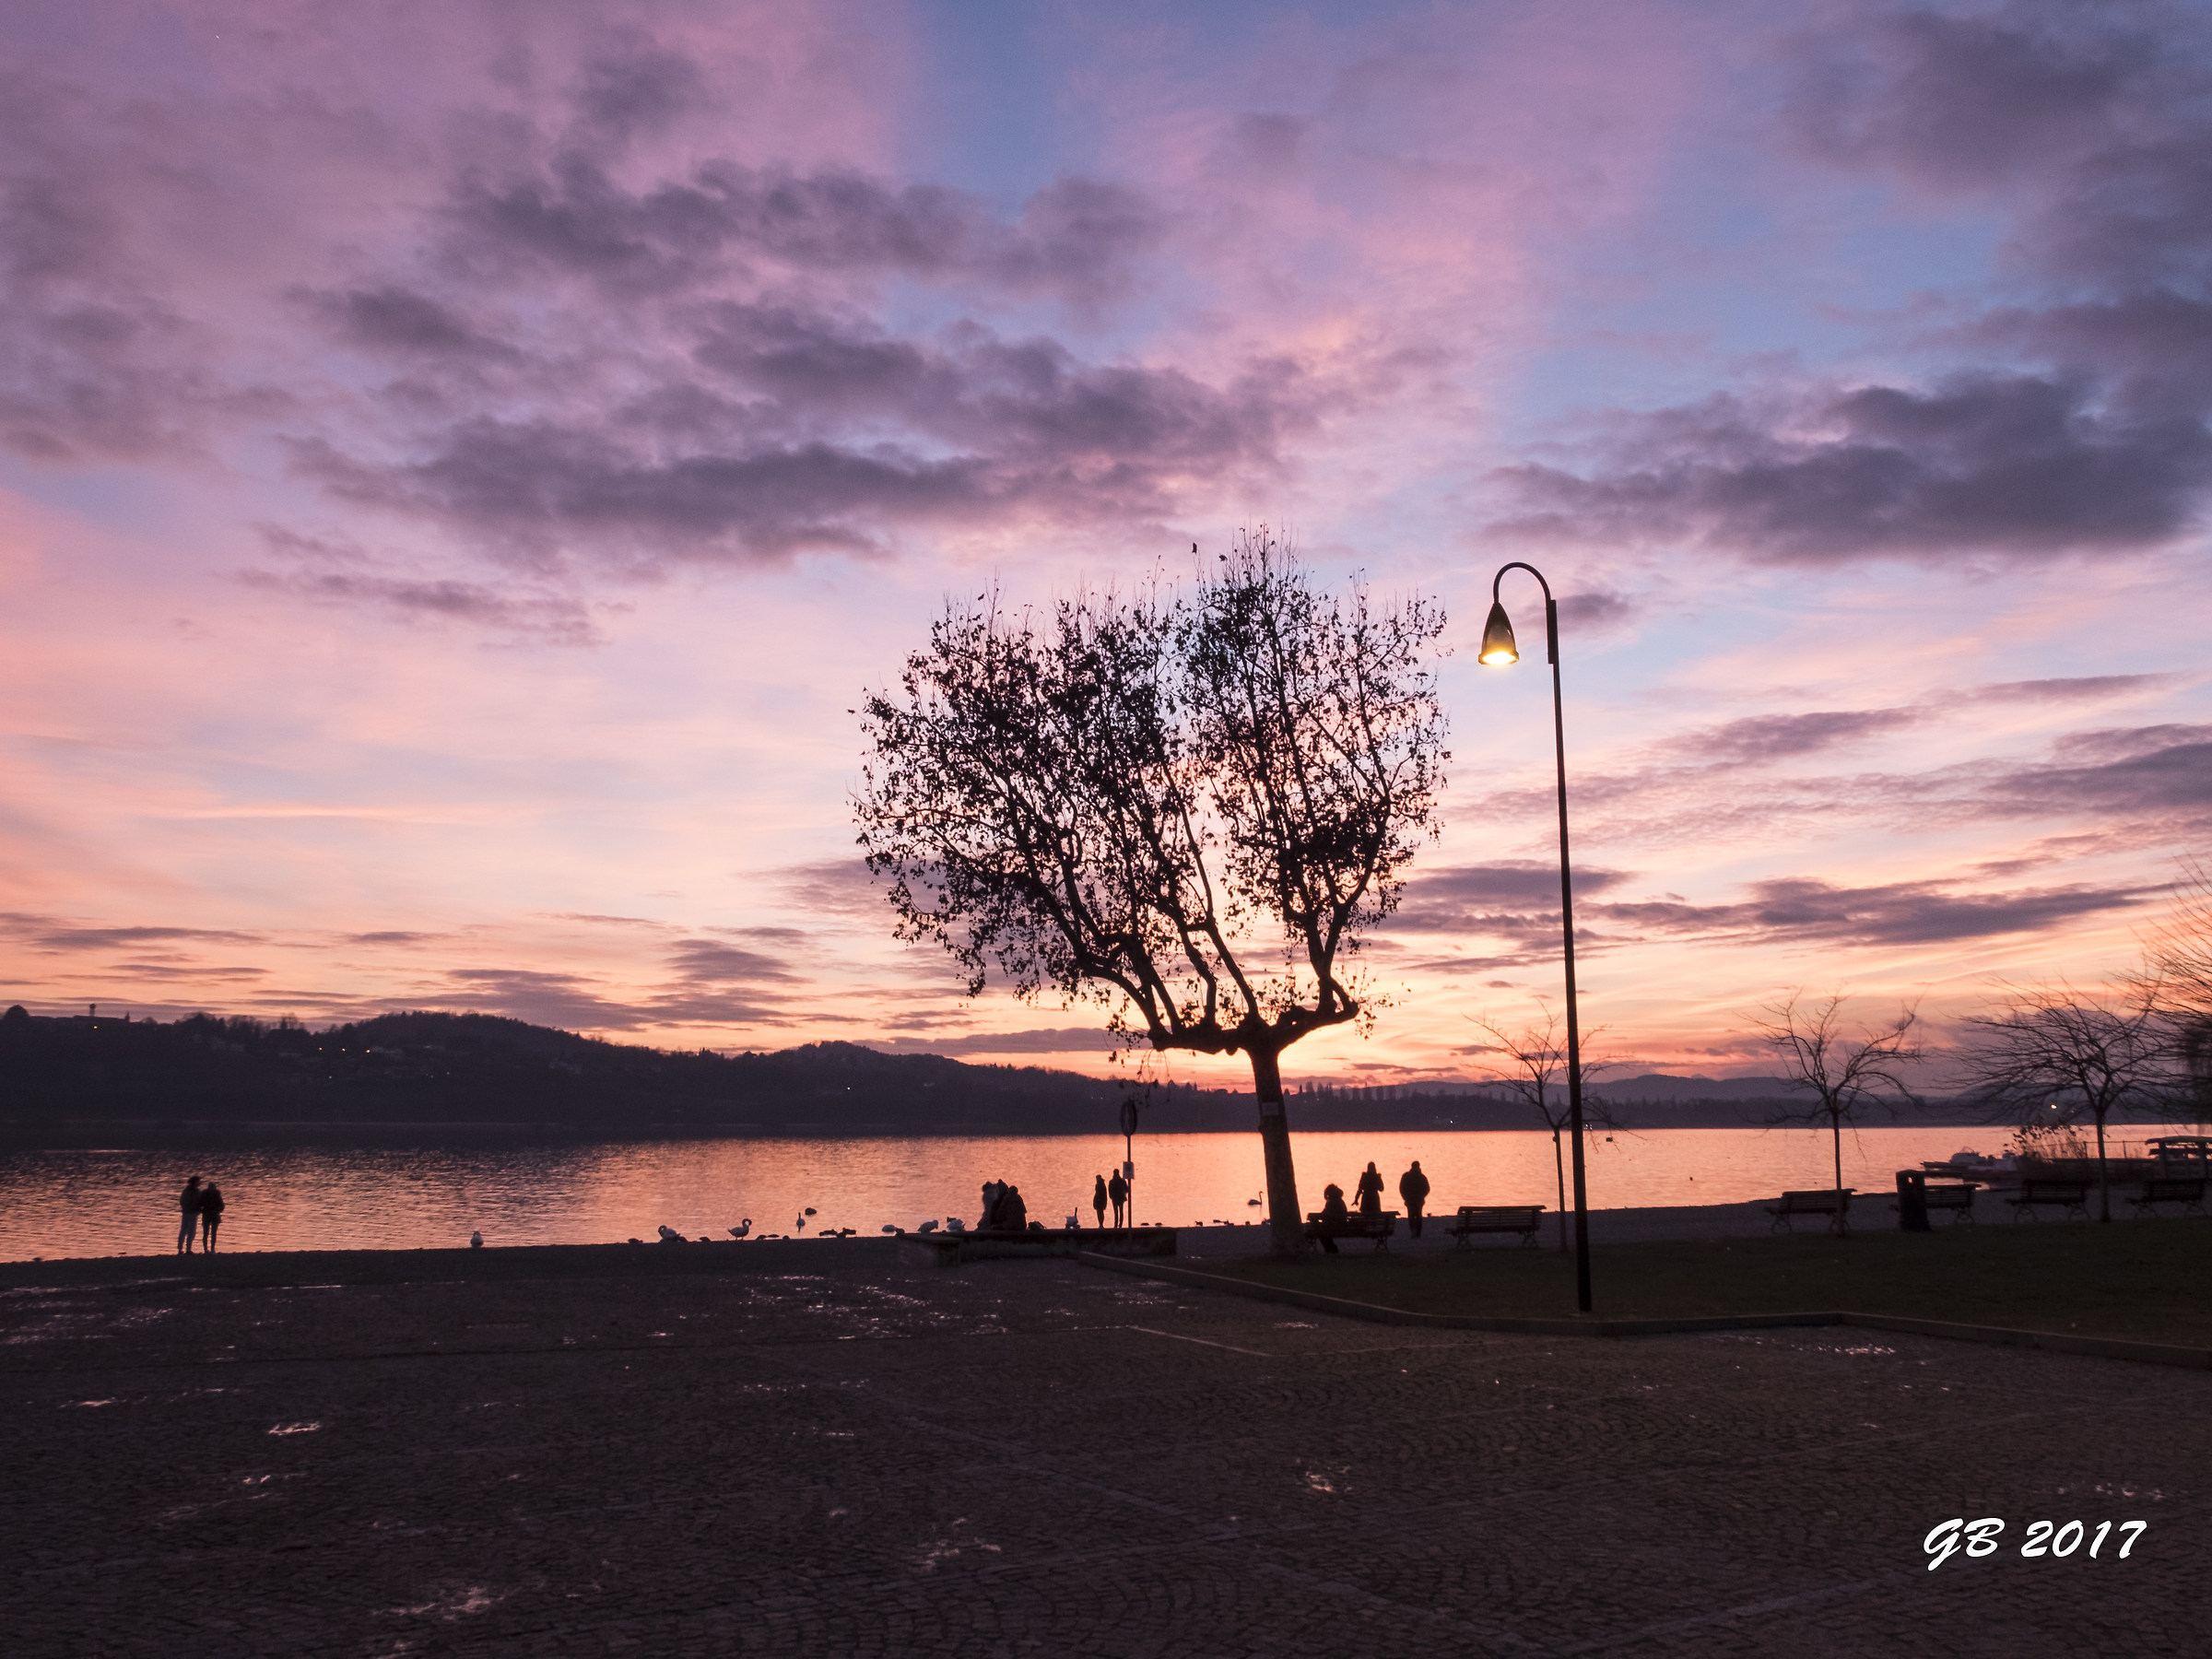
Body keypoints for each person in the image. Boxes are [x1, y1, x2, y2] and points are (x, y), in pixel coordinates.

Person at [1398, 1160, 1430, 1240]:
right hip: (1418, 1200)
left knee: (1411, 1216)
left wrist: (1405, 1197)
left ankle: (1413, 1231)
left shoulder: (1406, 1176)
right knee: (1418, 1216)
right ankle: (1418, 1233)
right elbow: (1427, 1189)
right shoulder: (1422, 1177)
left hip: (1411, 1200)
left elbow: (1402, 1188)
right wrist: (1422, 1196)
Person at [1316, 1181, 1349, 1254]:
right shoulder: (1340, 1201)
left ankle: (1331, 1249)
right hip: (1342, 1226)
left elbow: (1324, 1214)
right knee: (1323, 1231)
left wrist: (1316, 1216)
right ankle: (1332, 1249)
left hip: (1335, 1227)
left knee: (1320, 1232)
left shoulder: (1331, 1202)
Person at [177, 1177, 203, 1255]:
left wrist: (184, 1208)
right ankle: (188, 1249)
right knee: (191, 1231)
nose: (200, 1183)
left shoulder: (185, 1191)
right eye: (199, 1181)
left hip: (185, 1213)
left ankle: (180, 1249)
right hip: (192, 1213)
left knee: (183, 1230)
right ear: (195, 1182)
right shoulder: (196, 1191)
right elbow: (199, 1202)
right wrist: (198, 1209)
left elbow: (181, 1201)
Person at [198, 1182, 226, 1253]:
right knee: (213, 1233)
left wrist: (202, 1211)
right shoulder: (217, 1194)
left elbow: (199, 1204)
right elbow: (222, 1206)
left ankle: (205, 1249)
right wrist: (218, 1211)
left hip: (206, 1215)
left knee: (205, 1233)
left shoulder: (203, 1194)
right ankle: (212, 1248)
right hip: (215, 1215)